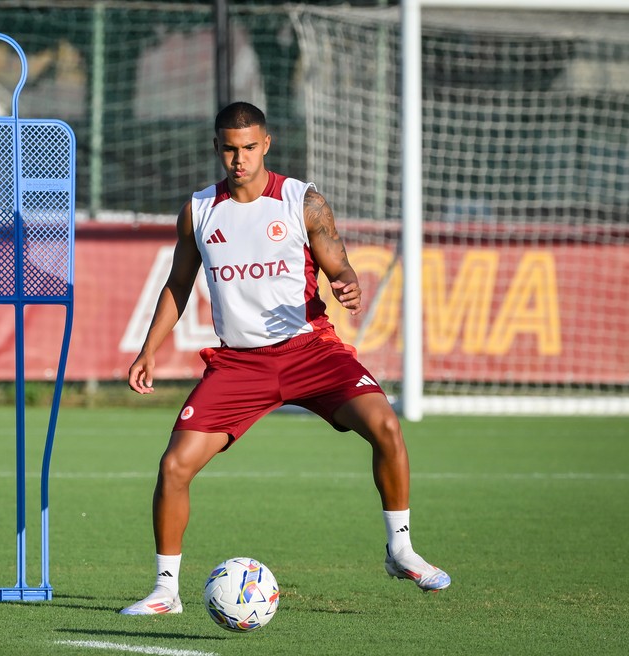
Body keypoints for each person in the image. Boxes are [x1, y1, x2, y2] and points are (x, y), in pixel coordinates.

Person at [120, 102, 450, 616]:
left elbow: (337, 262)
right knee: (174, 465)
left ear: (266, 144)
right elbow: (178, 284)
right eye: (229, 148)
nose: (239, 158)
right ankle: (166, 590)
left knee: (385, 425)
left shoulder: (303, 202)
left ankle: (400, 549)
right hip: (239, 366)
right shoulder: (199, 210)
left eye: (249, 147)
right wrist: (148, 351)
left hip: (311, 352)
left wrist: (348, 282)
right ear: (216, 148)